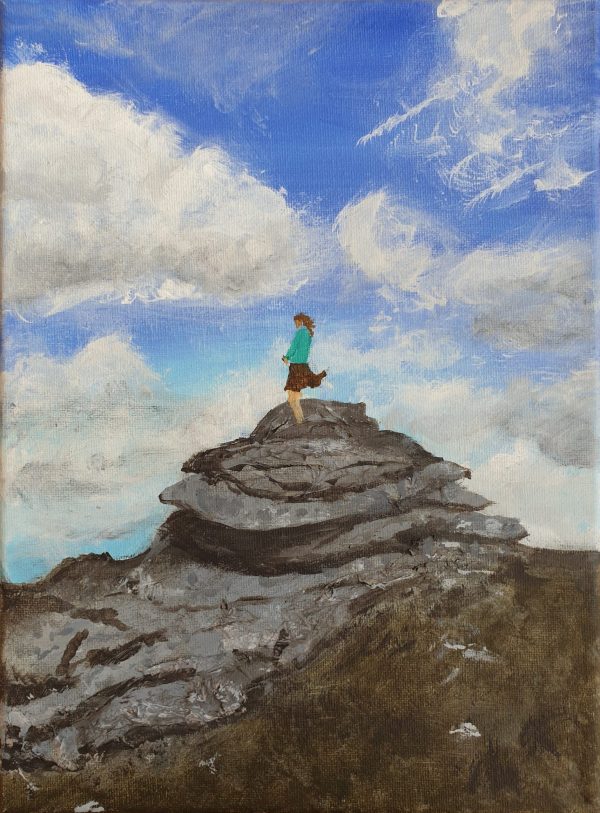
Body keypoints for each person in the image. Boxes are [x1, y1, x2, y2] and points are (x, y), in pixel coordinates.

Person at [282, 312, 326, 424]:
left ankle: (300, 421)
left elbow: (294, 346)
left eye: (296, 322)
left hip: (296, 366)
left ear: (300, 321)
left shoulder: (301, 332)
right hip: (303, 366)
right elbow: (303, 349)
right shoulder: (308, 333)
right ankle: (300, 420)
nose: (295, 325)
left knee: (292, 399)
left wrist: (286, 357)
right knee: (294, 397)